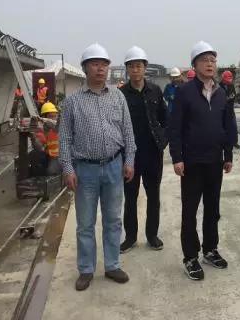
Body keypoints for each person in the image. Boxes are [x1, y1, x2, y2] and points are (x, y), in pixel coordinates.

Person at [59, 42, 136, 291]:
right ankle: (86, 269)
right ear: (85, 68)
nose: (100, 68)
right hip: (85, 171)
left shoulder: (118, 96)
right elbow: (64, 138)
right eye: (95, 64)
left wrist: (129, 160)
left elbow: (128, 132)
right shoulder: (72, 102)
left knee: (113, 220)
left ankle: (112, 265)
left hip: (114, 166)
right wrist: (68, 169)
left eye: (104, 64)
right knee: (85, 223)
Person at [168, 41, 237, 281]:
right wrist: (177, 157)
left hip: (214, 161)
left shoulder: (221, 93)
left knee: (212, 209)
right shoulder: (184, 92)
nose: (210, 64)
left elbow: (228, 125)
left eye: (213, 60)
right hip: (192, 162)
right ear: (195, 65)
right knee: (190, 211)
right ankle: (190, 256)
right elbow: (175, 127)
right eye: (204, 60)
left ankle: (210, 249)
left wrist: (228, 154)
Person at [119, 46, 168, 253]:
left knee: (153, 196)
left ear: (145, 67)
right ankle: (130, 237)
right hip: (130, 156)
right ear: (127, 69)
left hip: (153, 153)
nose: (135, 70)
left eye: (139, 66)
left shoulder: (155, 90)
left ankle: (152, 235)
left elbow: (165, 118)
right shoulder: (121, 94)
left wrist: (163, 140)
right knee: (130, 197)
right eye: (131, 66)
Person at [30, 102, 61, 176]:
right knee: (33, 155)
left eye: (55, 116)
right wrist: (33, 138)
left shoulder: (59, 126)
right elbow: (39, 147)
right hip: (50, 157)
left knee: (51, 171)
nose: (53, 118)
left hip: (61, 158)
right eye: (51, 116)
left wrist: (43, 120)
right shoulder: (42, 131)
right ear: (45, 116)